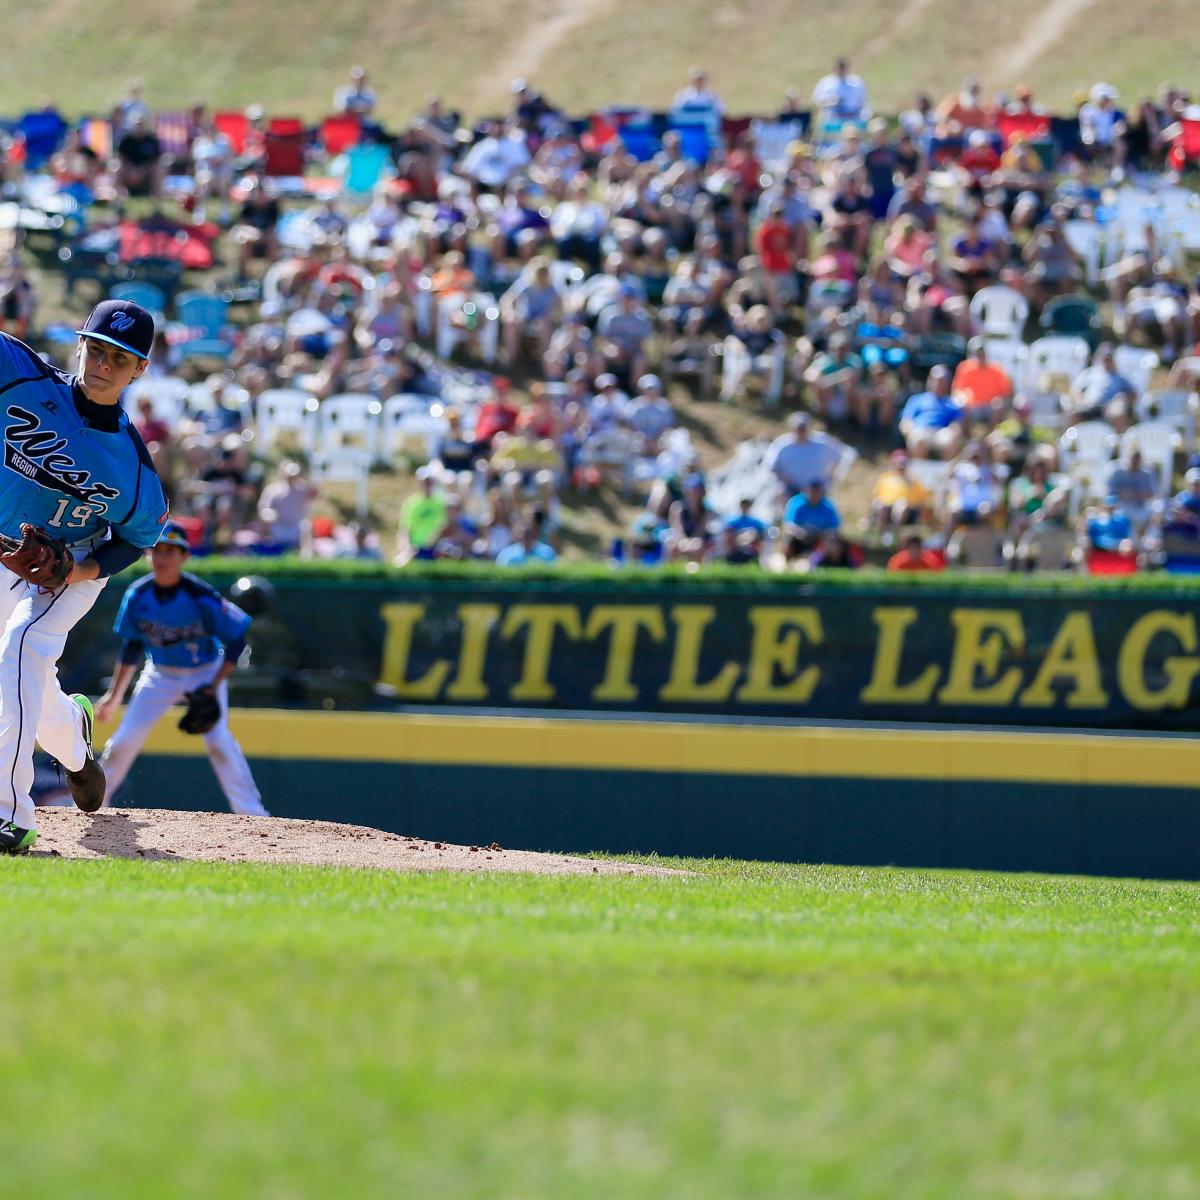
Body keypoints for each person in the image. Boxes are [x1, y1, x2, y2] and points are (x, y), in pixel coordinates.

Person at [0, 299, 168, 854]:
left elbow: (139, 540)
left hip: (67, 566)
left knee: (23, 646)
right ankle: (74, 740)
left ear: (140, 369)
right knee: (23, 679)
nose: (102, 364)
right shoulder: (19, 375)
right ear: (80, 345)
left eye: (119, 359)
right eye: (96, 349)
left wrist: (80, 571)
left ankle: (9, 814)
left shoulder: (134, 470)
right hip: (4, 551)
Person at [94, 523, 269, 816]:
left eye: (170, 551)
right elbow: (132, 647)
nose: (162, 558)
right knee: (124, 741)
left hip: (204, 671)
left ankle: (253, 815)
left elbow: (236, 642)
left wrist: (213, 685)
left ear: (184, 557)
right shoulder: (138, 595)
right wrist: (114, 696)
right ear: (149, 555)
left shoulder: (200, 596)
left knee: (218, 742)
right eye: (157, 550)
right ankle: (94, 805)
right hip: (160, 674)